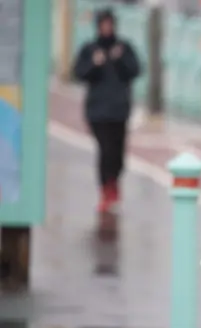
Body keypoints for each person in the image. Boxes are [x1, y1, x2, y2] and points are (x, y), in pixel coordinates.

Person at [73, 8, 141, 213]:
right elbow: (78, 73)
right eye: (103, 24)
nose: (106, 28)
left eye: (109, 24)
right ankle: (105, 189)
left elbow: (136, 70)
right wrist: (95, 64)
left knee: (118, 154)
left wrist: (119, 59)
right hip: (97, 111)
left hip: (119, 110)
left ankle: (114, 182)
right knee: (105, 150)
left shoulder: (124, 47)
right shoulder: (90, 49)